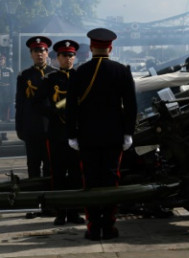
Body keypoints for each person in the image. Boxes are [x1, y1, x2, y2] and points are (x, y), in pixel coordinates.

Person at [66, 28, 137, 240]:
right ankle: (108, 226)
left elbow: (71, 107)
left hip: (87, 136)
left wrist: (72, 134)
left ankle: (93, 227)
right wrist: (128, 133)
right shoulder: (122, 70)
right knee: (111, 179)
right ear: (111, 47)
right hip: (114, 136)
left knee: (90, 180)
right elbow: (131, 106)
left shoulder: (79, 72)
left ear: (90, 47)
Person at [37, 40, 84, 226]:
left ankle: (73, 212)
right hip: (57, 133)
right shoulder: (49, 80)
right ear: (57, 58)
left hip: (76, 133)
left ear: (75, 57)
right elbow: (38, 103)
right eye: (64, 55)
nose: (68, 58)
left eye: (71, 55)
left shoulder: (80, 78)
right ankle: (60, 213)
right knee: (57, 175)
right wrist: (54, 111)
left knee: (75, 174)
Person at [15, 36, 55, 180]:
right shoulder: (24, 76)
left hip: (51, 127)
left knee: (50, 166)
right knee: (33, 165)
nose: (39, 54)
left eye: (42, 51)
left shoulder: (54, 74)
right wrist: (19, 127)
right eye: (36, 51)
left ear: (47, 53)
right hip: (31, 127)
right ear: (31, 54)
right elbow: (19, 103)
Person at [0, 53, 13, 121]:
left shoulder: (9, 70)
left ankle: (7, 118)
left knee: (7, 103)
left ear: (5, 60)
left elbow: (12, 82)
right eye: (0, 59)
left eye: (2, 59)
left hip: (7, 89)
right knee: (1, 103)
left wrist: (11, 91)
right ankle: (2, 118)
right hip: (0, 89)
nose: (1, 61)